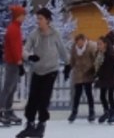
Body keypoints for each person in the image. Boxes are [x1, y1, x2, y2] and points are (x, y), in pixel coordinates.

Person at [17, 7, 70, 138]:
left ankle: (41, 126)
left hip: (51, 70)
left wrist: (68, 64)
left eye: (40, 19)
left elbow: (62, 50)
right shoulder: (34, 34)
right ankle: (29, 125)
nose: (38, 21)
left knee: (44, 99)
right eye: (37, 19)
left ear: (48, 20)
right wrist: (29, 56)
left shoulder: (55, 34)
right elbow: (24, 49)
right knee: (33, 98)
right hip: (37, 70)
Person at [0, 5, 27, 128]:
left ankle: (7, 110)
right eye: (22, 15)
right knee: (8, 87)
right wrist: (19, 61)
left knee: (11, 88)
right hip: (12, 62)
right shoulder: (13, 29)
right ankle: (0, 112)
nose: (24, 18)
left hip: (14, 61)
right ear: (17, 16)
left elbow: (17, 47)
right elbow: (14, 47)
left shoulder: (16, 28)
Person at [67, 32, 103, 123]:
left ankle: (91, 112)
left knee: (88, 93)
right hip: (78, 73)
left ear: (84, 41)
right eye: (77, 42)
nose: (79, 44)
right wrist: (68, 68)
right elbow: (72, 60)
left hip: (88, 73)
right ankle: (74, 112)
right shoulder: (74, 49)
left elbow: (96, 58)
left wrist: (95, 70)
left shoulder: (91, 47)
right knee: (77, 94)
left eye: (80, 42)